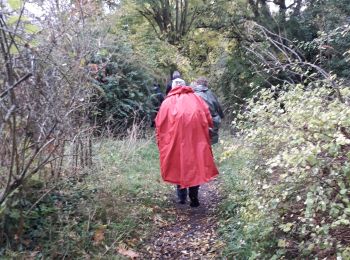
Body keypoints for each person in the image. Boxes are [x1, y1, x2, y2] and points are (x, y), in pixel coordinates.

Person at [155, 78, 219, 207]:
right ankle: (194, 197)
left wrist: (161, 140)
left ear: (173, 87)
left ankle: (181, 197)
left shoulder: (167, 102)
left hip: (174, 141)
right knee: (195, 165)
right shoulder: (196, 100)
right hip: (195, 140)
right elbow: (207, 118)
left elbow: (160, 123)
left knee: (177, 164)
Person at [192, 77, 224, 145]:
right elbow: (217, 106)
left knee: (200, 141)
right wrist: (221, 116)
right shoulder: (211, 94)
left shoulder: (193, 95)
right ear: (206, 84)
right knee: (211, 141)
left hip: (198, 120)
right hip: (212, 120)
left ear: (197, 84)